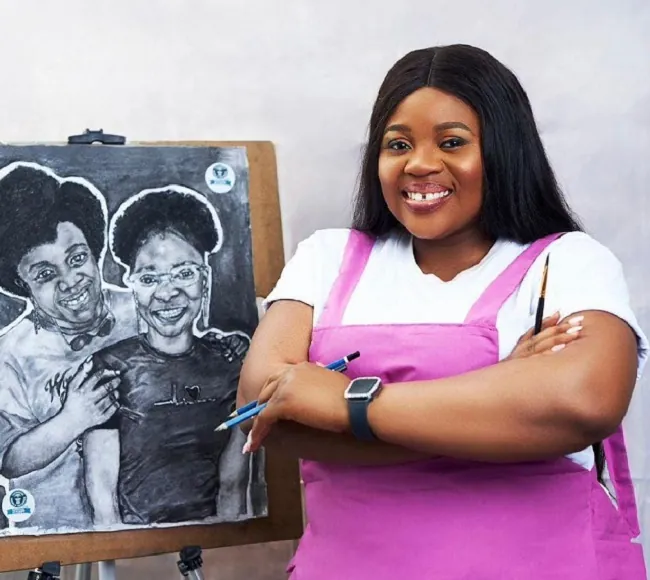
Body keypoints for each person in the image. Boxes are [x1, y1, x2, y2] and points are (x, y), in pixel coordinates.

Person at [238, 44, 648, 579]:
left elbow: (583, 402)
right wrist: (499, 399)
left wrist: (345, 403)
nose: (420, 164)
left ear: (504, 149)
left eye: (451, 142)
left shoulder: (566, 262)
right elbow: (262, 413)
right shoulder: (326, 257)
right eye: (398, 144)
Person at [87, 186, 253, 526]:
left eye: (184, 273)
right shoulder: (109, 370)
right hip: (136, 542)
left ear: (205, 278)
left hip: (215, 538)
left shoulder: (232, 365)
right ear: (132, 284)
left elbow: (233, 486)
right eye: (150, 278)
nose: (167, 293)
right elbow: (103, 498)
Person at [0, 162, 138, 531]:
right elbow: (8, 460)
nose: (70, 281)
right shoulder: (9, 355)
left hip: (148, 516)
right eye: (45, 274)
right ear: (22, 283)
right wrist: (73, 419)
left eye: (77, 259)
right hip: (55, 528)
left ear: (95, 251)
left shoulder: (142, 311)